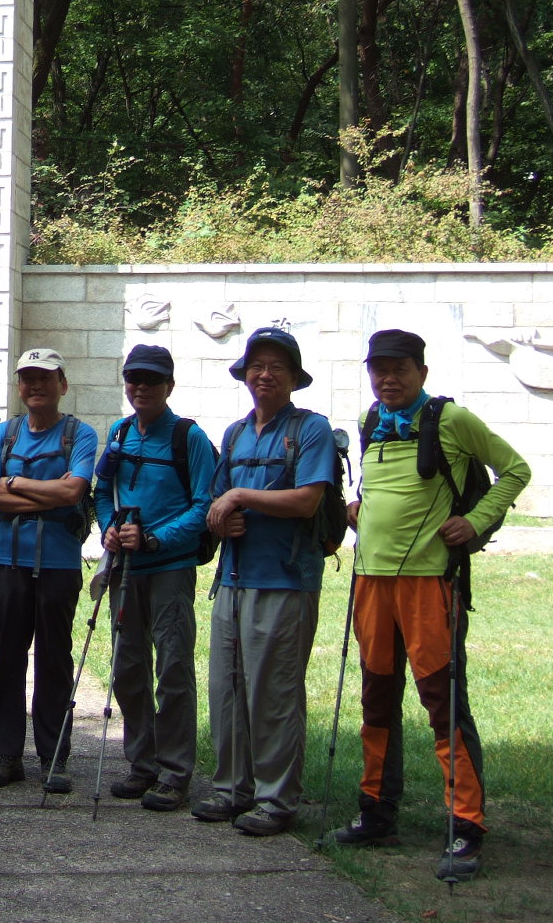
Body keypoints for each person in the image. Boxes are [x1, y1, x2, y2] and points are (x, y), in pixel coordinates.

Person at [331, 329, 530, 881]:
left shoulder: (450, 419)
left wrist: (476, 520)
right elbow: (385, 491)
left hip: (429, 586)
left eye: (399, 369)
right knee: (376, 700)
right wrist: (359, 507)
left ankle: (466, 826)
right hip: (371, 583)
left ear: (421, 371)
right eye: (379, 369)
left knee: (442, 704)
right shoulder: (371, 421)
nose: (387, 379)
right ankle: (376, 813)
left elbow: (515, 470)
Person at [197, 326, 333, 836]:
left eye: (277, 367)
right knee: (226, 689)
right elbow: (216, 498)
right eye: (257, 366)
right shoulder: (235, 434)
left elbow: (307, 500)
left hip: (286, 581)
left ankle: (276, 800)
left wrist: (240, 498)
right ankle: (232, 788)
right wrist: (222, 517)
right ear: (245, 375)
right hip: (232, 580)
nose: (265, 374)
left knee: (274, 694)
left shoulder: (311, 429)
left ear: (294, 377)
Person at [91, 344, 216, 812]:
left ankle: (174, 772)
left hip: (169, 569)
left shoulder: (189, 438)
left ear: (169, 386)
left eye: (151, 380)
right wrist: (109, 527)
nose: (140, 387)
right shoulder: (120, 432)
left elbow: (204, 507)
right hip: (125, 569)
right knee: (127, 669)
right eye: (134, 379)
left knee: (173, 668)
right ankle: (141, 763)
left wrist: (154, 539)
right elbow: (102, 491)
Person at [0, 348, 98, 792]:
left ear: (62, 385)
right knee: (7, 657)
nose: (35, 386)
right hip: (7, 561)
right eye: (27, 378)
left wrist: (16, 483)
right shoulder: (2, 434)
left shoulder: (80, 435)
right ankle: (5, 754)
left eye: (45, 377)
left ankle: (53, 757)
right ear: (19, 386)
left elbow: (73, 492)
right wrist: (45, 494)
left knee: (54, 659)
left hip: (59, 563)